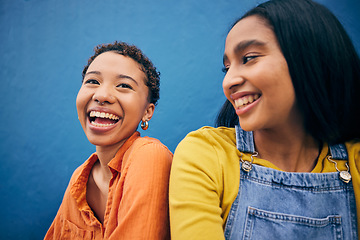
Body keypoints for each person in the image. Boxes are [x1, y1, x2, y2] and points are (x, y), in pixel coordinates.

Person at [169, 0, 360, 239]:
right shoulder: (207, 154)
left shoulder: (355, 160)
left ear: (310, 58)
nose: (228, 82)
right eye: (226, 68)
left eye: (248, 58)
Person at [45, 41, 173, 239]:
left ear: (147, 112)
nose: (102, 95)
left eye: (124, 85)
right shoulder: (79, 180)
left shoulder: (149, 156)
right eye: (92, 81)